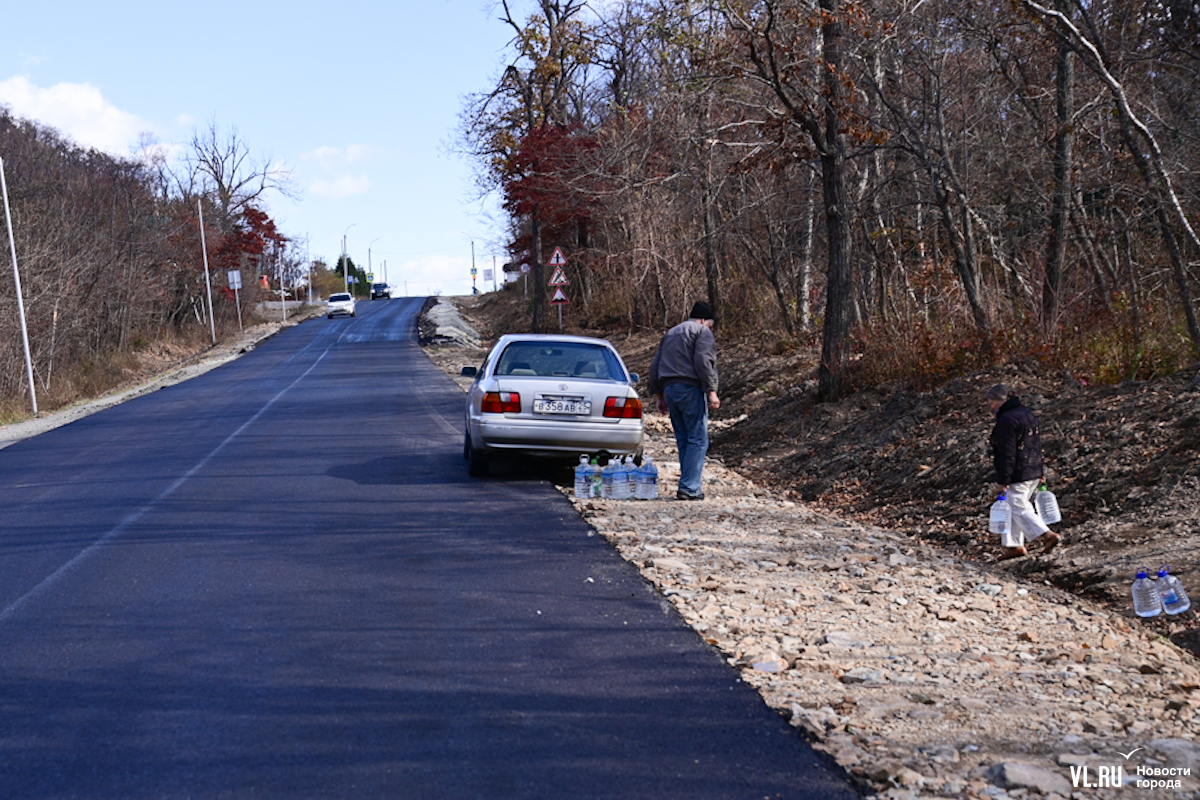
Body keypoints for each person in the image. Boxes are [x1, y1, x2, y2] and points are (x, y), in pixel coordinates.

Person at [649, 301, 720, 500]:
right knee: (697, 438)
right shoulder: (702, 332)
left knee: (683, 439)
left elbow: (655, 366)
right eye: (710, 325)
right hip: (690, 389)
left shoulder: (670, 333)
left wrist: (659, 396)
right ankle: (690, 487)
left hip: (670, 389)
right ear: (705, 320)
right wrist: (711, 391)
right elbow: (703, 362)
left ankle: (687, 484)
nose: (710, 329)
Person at [987, 383, 1060, 560]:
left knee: (1018, 505)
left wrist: (1003, 479)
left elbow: (1007, 451)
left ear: (1001, 400)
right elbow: (1035, 446)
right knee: (1012, 507)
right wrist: (1040, 470)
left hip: (1018, 472)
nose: (991, 407)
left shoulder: (1006, 420)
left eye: (992, 402)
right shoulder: (1027, 414)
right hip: (1033, 468)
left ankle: (1047, 535)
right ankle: (1014, 546)